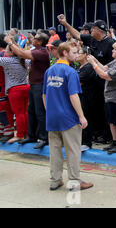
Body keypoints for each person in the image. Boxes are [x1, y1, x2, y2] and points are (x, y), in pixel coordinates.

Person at [42, 42, 93, 191]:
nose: (77, 55)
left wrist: (49, 111)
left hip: (52, 116)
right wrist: (81, 116)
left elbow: (44, 95)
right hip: (68, 117)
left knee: (55, 150)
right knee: (73, 150)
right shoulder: (71, 72)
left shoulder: (49, 71)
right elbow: (73, 95)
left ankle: (55, 180)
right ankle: (74, 181)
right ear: (65, 53)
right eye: (74, 52)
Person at [59, 14, 114, 144]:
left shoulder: (110, 43)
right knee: (93, 108)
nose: (90, 31)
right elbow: (77, 35)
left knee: (104, 110)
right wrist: (65, 23)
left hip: (105, 81)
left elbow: (112, 66)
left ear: (99, 31)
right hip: (93, 81)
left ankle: (107, 135)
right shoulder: (92, 39)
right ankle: (96, 133)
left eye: (93, 29)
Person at [6, 33, 50, 149]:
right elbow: (21, 51)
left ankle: (44, 138)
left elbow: (21, 54)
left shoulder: (41, 52)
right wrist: (13, 42)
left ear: (40, 42)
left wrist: (10, 43)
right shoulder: (36, 50)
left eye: (35, 38)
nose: (32, 39)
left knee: (40, 112)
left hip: (39, 85)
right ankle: (32, 136)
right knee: (31, 111)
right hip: (33, 85)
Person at [88, 42, 116, 154]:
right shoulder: (115, 62)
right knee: (111, 120)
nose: (112, 51)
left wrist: (93, 63)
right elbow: (104, 67)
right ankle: (115, 141)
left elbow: (105, 75)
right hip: (109, 95)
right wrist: (94, 59)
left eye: (115, 50)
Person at [0, 39, 31, 144]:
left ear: (12, 51)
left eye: (8, 49)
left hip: (15, 90)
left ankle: (20, 135)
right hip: (26, 87)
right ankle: (25, 133)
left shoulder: (7, 61)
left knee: (19, 114)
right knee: (24, 112)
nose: (6, 51)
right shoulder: (24, 61)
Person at [75, 46, 97, 151]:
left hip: (87, 97)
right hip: (79, 96)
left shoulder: (88, 67)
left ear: (85, 55)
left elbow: (78, 81)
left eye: (79, 53)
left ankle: (87, 142)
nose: (77, 55)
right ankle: (80, 140)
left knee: (86, 118)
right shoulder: (79, 67)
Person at [0, 35, 14, 143]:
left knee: (3, 108)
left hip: (4, 85)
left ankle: (8, 131)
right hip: (5, 85)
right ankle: (4, 130)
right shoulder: (6, 54)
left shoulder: (3, 55)